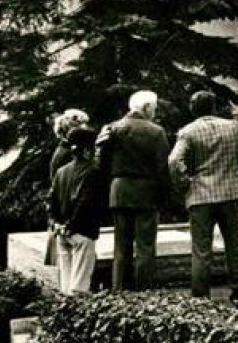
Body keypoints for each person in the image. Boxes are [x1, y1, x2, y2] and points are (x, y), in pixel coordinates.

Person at [168, 90, 238, 308]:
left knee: (201, 249)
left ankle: (201, 298)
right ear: (214, 107)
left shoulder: (188, 132)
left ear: (193, 109)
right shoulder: (232, 126)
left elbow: (174, 161)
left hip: (201, 196)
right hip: (230, 193)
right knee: (234, 244)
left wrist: (185, 184)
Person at [97, 90, 169, 291]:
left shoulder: (112, 129)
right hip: (147, 192)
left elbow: (101, 163)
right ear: (146, 108)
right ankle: (144, 293)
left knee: (121, 247)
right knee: (146, 247)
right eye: (153, 108)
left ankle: (120, 291)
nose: (154, 112)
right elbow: (163, 167)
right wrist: (165, 196)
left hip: (119, 190)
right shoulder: (156, 132)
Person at [48, 126, 103, 294]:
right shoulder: (93, 172)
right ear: (88, 149)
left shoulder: (61, 171)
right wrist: (71, 225)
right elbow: (84, 203)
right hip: (82, 231)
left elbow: (51, 201)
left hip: (61, 232)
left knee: (66, 283)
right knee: (79, 286)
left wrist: (56, 223)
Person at [44, 109, 90, 267]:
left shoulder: (62, 151)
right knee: (67, 261)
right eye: (82, 126)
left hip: (64, 216)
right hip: (67, 216)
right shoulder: (66, 156)